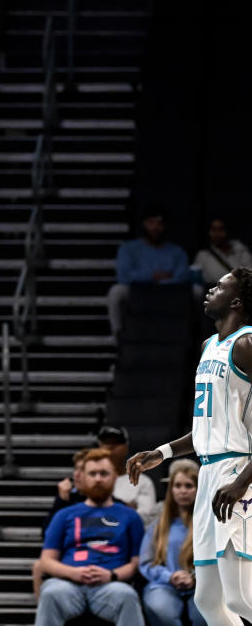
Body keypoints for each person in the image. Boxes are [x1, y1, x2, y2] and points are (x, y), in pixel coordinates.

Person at [127, 267, 252, 623]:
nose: (211, 289)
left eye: (221, 286)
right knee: (209, 599)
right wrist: (162, 453)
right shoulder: (208, 346)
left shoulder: (247, 343)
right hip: (210, 473)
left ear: (237, 301)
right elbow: (205, 429)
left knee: (242, 597)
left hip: (237, 472)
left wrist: (242, 481)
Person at [35, 447, 145, 626]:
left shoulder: (130, 516)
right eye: (92, 474)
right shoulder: (64, 515)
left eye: (104, 473)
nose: (98, 479)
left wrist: (112, 575)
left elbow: (137, 562)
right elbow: (46, 561)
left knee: (127, 596)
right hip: (68, 584)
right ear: (83, 477)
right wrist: (74, 573)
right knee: (50, 593)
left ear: (115, 476)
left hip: (111, 586)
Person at [139, 459, 206, 626]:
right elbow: (146, 562)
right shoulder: (158, 524)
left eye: (189, 486)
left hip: (202, 586)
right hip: (164, 584)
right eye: (178, 486)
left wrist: (194, 577)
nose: (183, 491)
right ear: (171, 489)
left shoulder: (209, 523)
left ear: (198, 488)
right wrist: (170, 576)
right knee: (161, 609)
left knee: (204, 614)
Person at [107, 206, 191, 337]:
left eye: (159, 223)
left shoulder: (177, 252)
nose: (155, 228)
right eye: (151, 223)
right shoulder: (128, 248)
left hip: (168, 292)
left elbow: (182, 277)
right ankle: (117, 335)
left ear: (165, 226)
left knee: (197, 291)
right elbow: (123, 276)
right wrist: (153, 276)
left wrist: (160, 281)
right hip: (137, 291)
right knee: (116, 291)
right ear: (144, 224)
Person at [98, 425, 158, 524]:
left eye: (116, 443)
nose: (110, 447)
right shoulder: (91, 479)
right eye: (106, 442)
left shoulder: (142, 481)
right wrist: (127, 507)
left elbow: (145, 519)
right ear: (99, 447)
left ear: (126, 448)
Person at [193, 218, 252, 286]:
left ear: (228, 231)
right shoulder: (202, 256)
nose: (216, 234)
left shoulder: (241, 251)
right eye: (213, 229)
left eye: (221, 229)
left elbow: (250, 275)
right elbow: (196, 285)